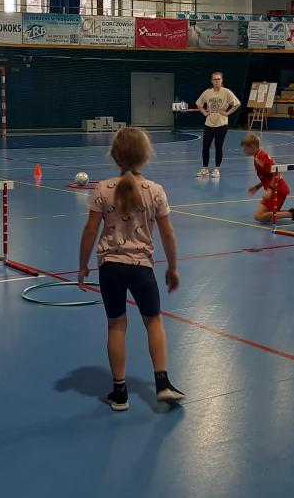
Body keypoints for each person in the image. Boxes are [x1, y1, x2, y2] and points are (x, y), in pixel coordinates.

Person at [77, 127, 184, 411]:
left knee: (116, 324)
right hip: (142, 269)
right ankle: (162, 383)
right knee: (153, 321)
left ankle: (120, 393)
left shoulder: (102, 189)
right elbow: (168, 233)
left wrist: (82, 266)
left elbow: (90, 231)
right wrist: (173, 268)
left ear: (114, 156)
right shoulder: (155, 191)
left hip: (110, 268)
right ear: (146, 157)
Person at [241, 132, 294, 224]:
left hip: (277, 190)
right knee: (266, 216)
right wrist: (257, 187)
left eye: (245, 147)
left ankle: (292, 213)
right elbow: (267, 176)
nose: (243, 150)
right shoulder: (257, 157)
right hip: (276, 188)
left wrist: (270, 189)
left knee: (258, 216)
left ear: (253, 146)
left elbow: (276, 171)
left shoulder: (261, 157)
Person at [195, 71, 241, 179]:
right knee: (205, 147)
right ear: (211, 81)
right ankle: (205, 169)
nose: (217, 81)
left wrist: (227, 113)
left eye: (218, 79)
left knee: (218, 146)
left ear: (222, 80)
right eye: (215, 79)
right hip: (209, 124)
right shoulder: (207, 92)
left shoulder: (226, 92)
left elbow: (237, 104)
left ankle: (216, 169)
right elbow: (199, 103)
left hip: (221, 124)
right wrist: (204, 113)